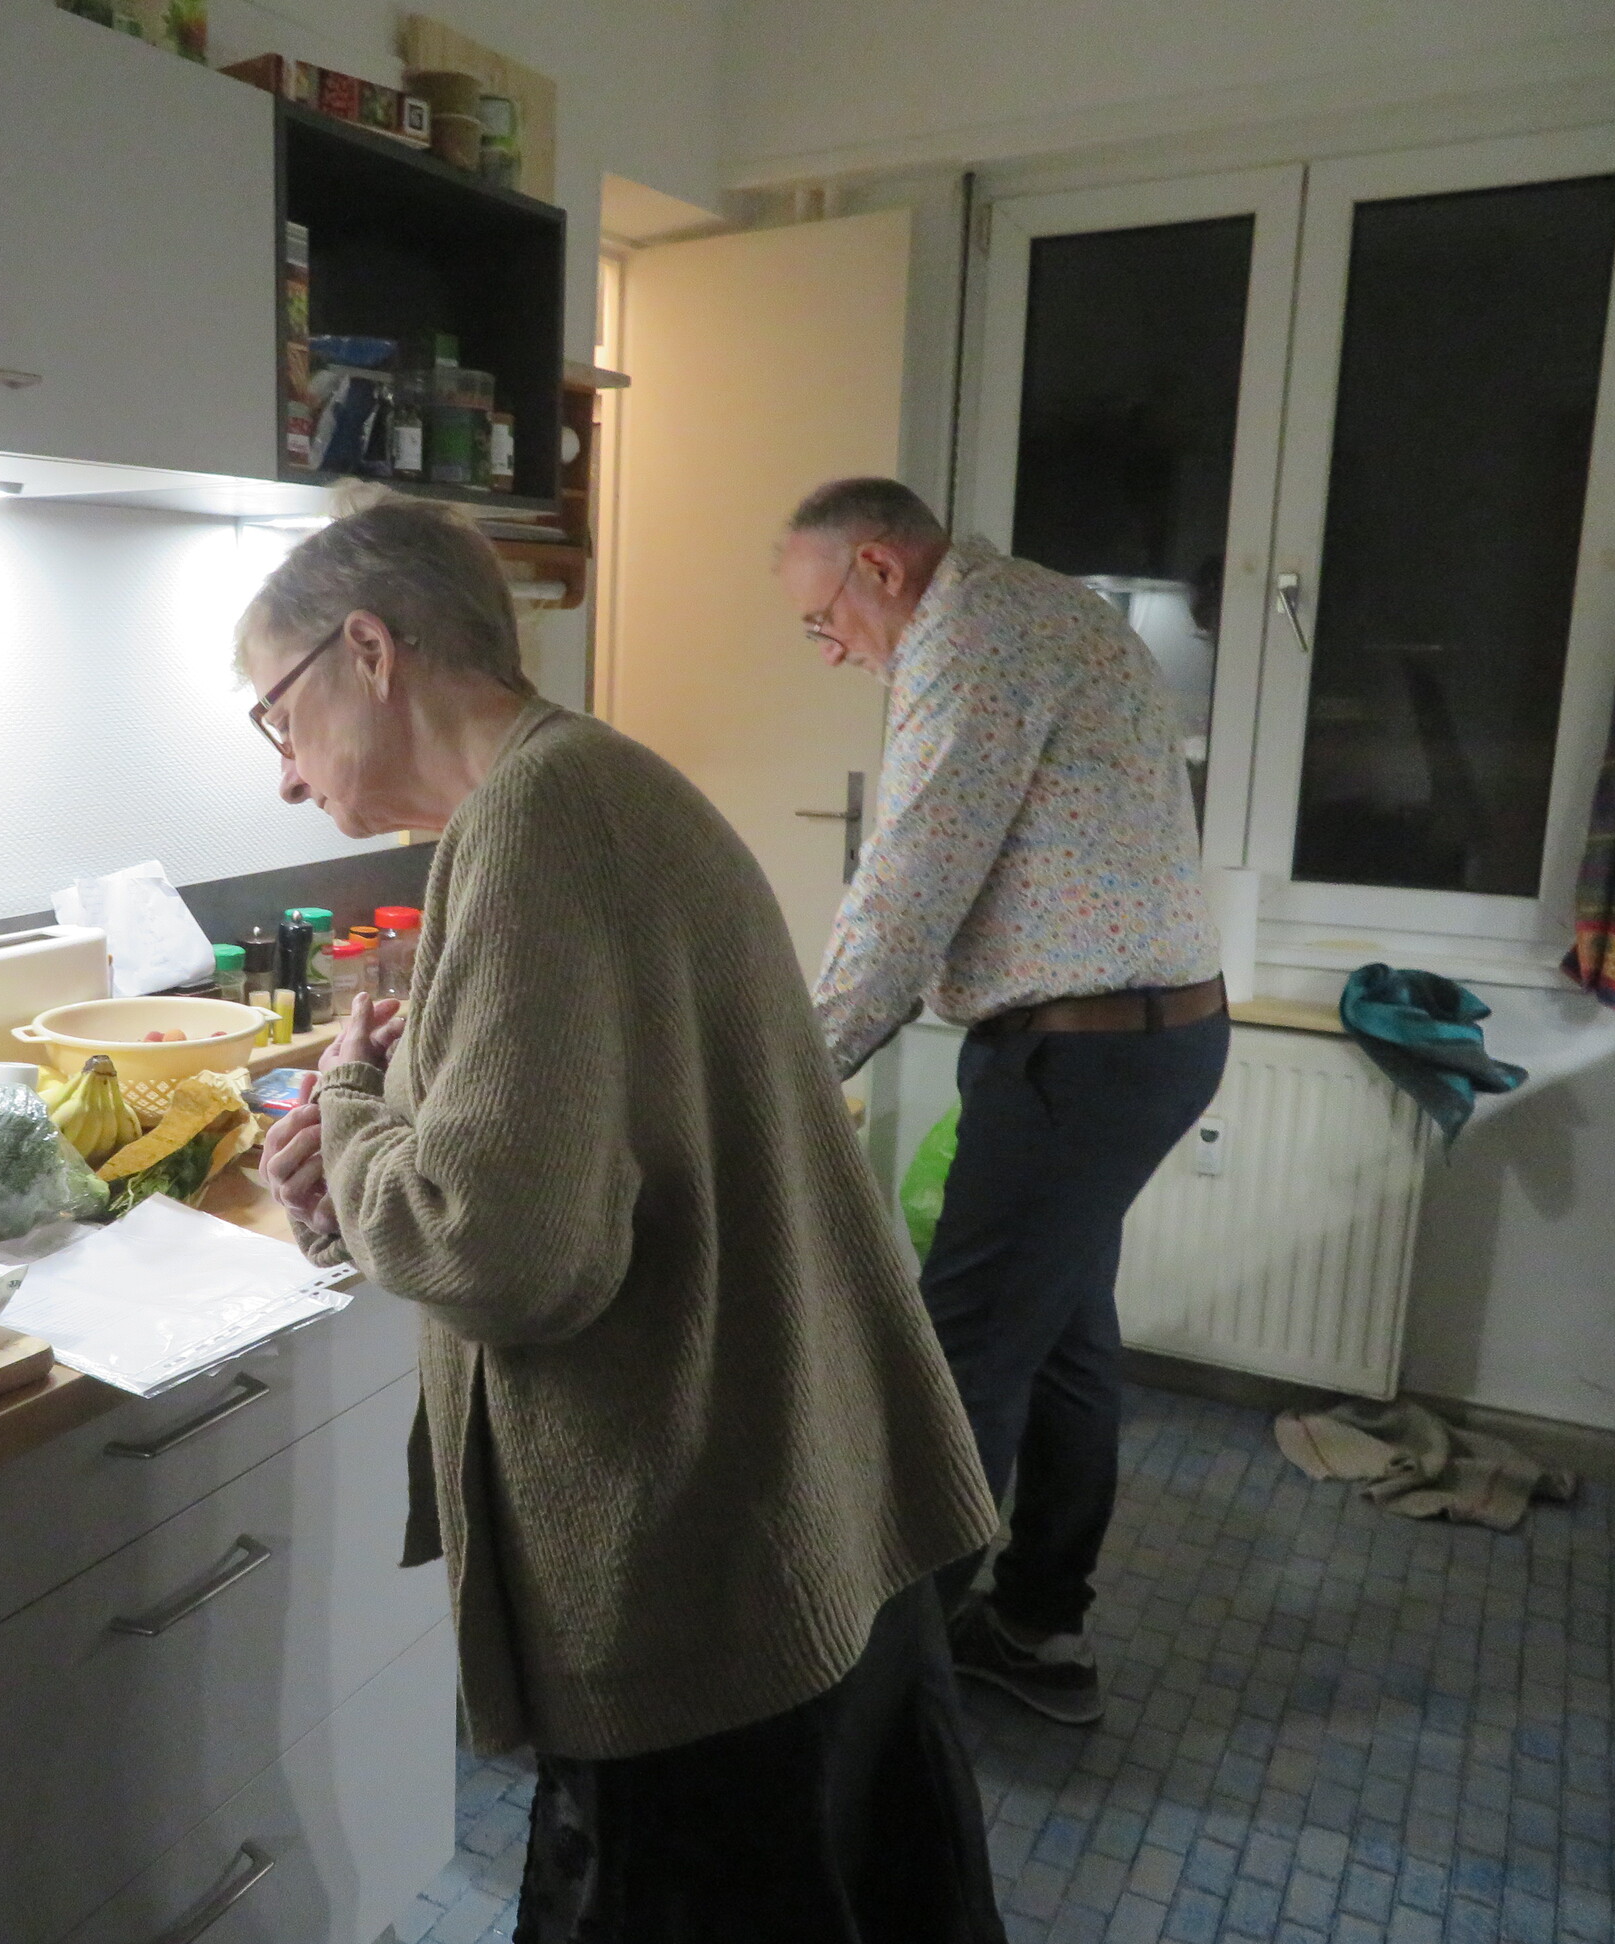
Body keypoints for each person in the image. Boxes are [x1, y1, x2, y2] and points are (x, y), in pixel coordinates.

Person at [245, 489, 1007, 1944]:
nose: (283, 775)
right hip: (792, 1513)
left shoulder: (535, 826)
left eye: (278, 715)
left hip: (698, 1570)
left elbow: (503, 1254)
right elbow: (571, 1140)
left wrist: (347, 1110)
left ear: (370, 652)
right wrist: (378, 1134)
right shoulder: (586, 786)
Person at [777, 477, 1231, 1727]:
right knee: (1068, 1338)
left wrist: (789, 1084)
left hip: (1082, 1057)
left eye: (824, 621)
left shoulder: (970, 638)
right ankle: (1038, 1629)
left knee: (959, 1361)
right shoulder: (1043, 605)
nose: (831, 652)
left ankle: (882, 1697)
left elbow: (906, 889)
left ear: (880, 567)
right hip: (1151, 1038)